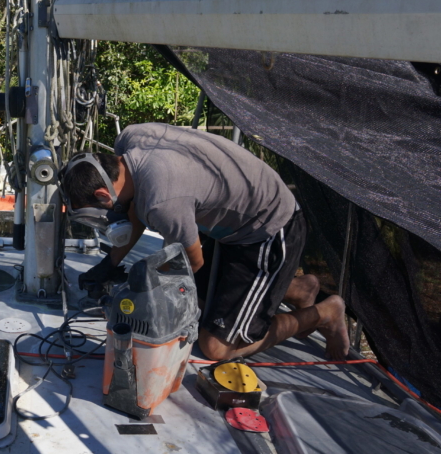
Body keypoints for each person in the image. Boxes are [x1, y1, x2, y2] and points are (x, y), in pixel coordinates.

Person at [61, 123, 349, 361]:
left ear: (102, 195)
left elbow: (191, 263)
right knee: (202, 303)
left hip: (269, 230)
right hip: (234, 223)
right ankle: (298, 289)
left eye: (101, 211)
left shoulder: (162, 201)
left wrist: (151, 299)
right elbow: (133, 205)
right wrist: (111, 262)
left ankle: (325, 312)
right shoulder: (130, 140)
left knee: (215, 345)